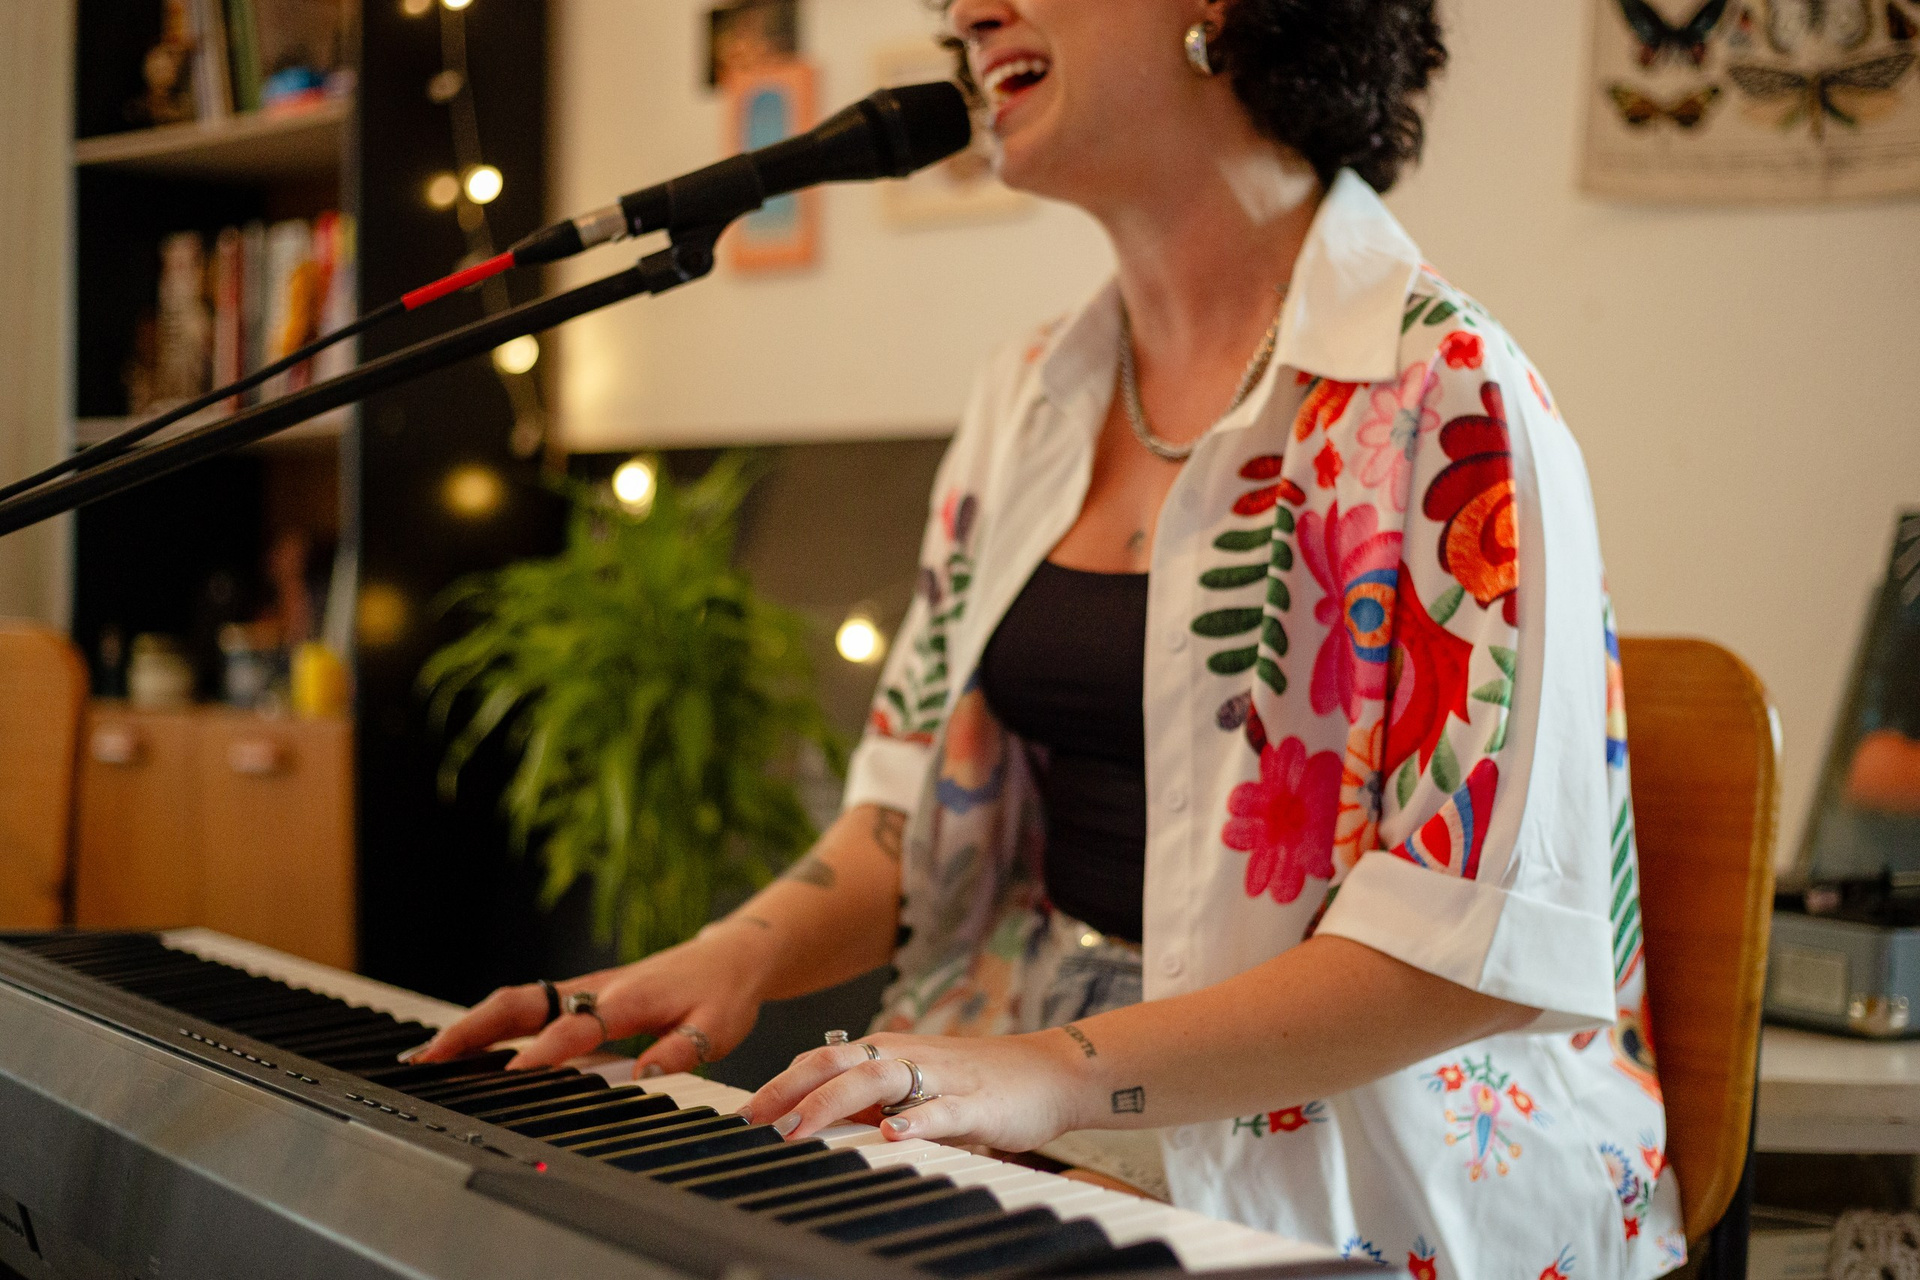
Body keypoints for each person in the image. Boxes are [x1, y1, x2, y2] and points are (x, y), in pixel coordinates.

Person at [412, 0, 1685, 1273]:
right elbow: (911, 813)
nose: (966, 11)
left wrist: (1050, 1075)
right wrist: (731, 954)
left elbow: (1474, 949)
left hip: (1365, 1140)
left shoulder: (1451, 391)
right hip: (1031, 1065)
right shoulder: (1029, 393)